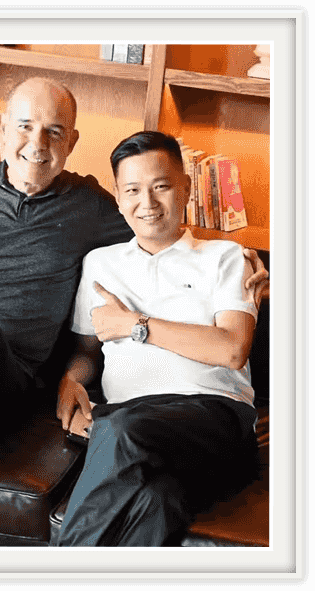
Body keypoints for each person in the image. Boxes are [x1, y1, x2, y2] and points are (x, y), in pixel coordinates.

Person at [0, 77, 268, 438]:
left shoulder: (90, 207)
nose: (37, 144)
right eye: (25, 126)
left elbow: (157, 220)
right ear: (3, 128)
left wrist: (244, 261)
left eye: (54, 132)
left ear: (71, 143)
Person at [54, 131, 263, 547]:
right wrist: (70, 380)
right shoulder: (100, 263)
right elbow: (86, 351)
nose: (147, 203)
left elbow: (232, 349)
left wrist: (136, 325)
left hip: (213, 419)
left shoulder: (226, 257)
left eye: (161, 186)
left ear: (185, 188)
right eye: (132, 190)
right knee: (158, 502)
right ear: (118, 196)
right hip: (132, 427)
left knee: (119, 429)